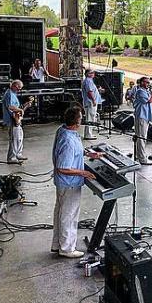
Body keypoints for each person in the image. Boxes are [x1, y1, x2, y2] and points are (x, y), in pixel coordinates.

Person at [51, 107, 100, 258]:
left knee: (61, 213)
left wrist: (88, 153)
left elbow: (74, 151)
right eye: (81, 117)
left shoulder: (64, 130)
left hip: (64, 183)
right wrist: (84, 173)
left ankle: (57, 244)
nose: (82, 118)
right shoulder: (68, 141)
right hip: (69, 183)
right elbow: (62, 167)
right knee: (69, 215)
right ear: (77, 121)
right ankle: (67, 249)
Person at [131, 77, 152, 165]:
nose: (148, 84)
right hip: (141, 116)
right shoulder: (140, 91)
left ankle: (138, 155)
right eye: (146, 82)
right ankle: (142, 158)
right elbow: (149, 100)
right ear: (142, 82)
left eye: (148, 82)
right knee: (141, 137)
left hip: (145, 116)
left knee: (141, 136)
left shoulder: (146, 91)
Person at [3, 79, 28, 163]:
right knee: (14, 139)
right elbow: (10, 107)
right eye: (18, 87)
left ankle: (18, 154)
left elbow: (17, 106)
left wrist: (25, 105)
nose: (19, 90)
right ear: (14, 86)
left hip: (16, 119)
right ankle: (11, 157)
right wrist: (21, 111)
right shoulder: (9, 94)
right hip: (12, 119)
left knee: (19, 137)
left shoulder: (13, 94)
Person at [81, 69, 103, 140]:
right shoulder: (88, 81)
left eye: (93, 73)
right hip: (90, 103)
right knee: (89, 118)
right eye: (91, 73)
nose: (93, 74)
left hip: (90, 102)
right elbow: (89, 92)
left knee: (91, 117)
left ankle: (89, 133)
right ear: (87, 74)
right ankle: (88, 134)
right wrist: (93, 100)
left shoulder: (89, 81)